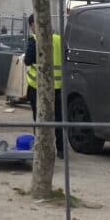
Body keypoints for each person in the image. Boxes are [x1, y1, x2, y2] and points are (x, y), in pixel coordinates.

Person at [25, 14, 65, 157]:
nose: (32, 29)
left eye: (31, 26)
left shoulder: (35, 40)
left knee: (39, 119)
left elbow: (27, 60)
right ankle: (61, 150)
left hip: (38, 88)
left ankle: (41, 148)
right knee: (59, 120)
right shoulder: (59, 39)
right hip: (57, 88)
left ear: (33, 25)